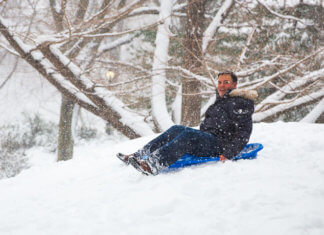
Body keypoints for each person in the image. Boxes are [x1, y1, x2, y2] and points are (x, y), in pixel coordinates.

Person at [117, 71, 258, 175]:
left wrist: (229, 153)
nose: (221, 85)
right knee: (176, 129)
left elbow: (243, 133)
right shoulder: (220, 102)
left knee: (189, 135)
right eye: (220, 82)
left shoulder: (240, 103)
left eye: (226, 82)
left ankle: (153, 164)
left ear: (234, 84)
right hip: (208, 139)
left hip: (220, 145)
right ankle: (139, 155)